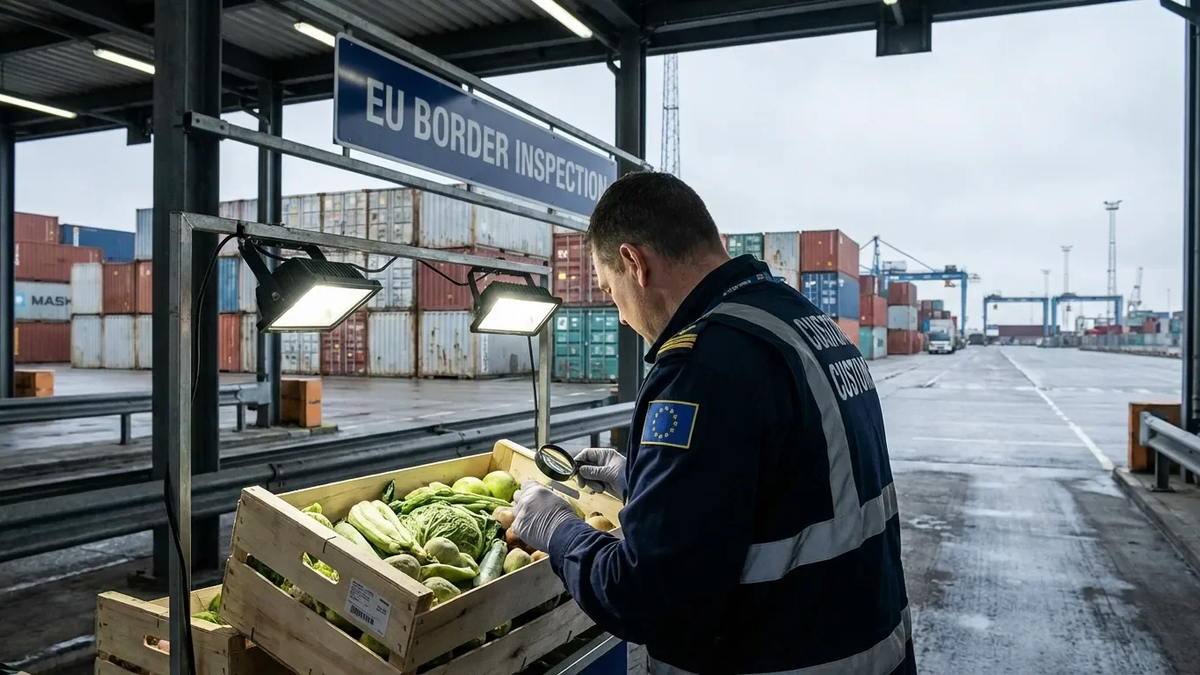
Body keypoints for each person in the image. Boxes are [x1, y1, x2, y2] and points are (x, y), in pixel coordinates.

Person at [510, 172, 914, 675]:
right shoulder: (803, 323)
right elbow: (783, 489)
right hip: (873, 651)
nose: (619, 317)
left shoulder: (702, 368)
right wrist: (642, 480)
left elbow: (650, 597)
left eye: (612, 292)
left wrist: (558, 530)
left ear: (635, 264)